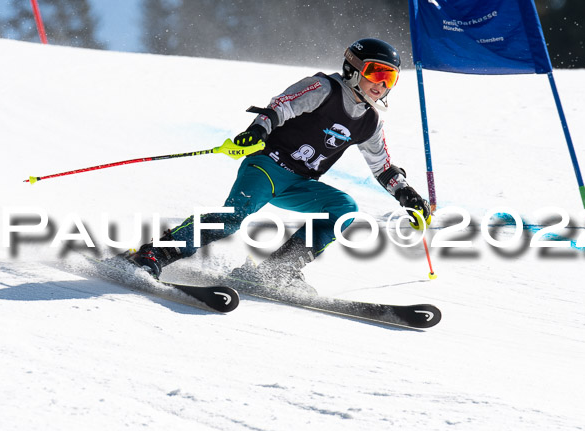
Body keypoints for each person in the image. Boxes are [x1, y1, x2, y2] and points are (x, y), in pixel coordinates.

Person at [126, 38, 430, 289]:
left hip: (301, 184)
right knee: (233, 218)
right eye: (376, 72)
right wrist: (257, 130)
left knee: (344, 210)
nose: (381, 83)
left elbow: (382, 165)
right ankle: (155, 254)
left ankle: (276, 270)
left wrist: (405, 194)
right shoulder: (324, 89)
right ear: (353, 68)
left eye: (389, 77)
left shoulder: (370, 122)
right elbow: (281, 107)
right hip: (267, 167)